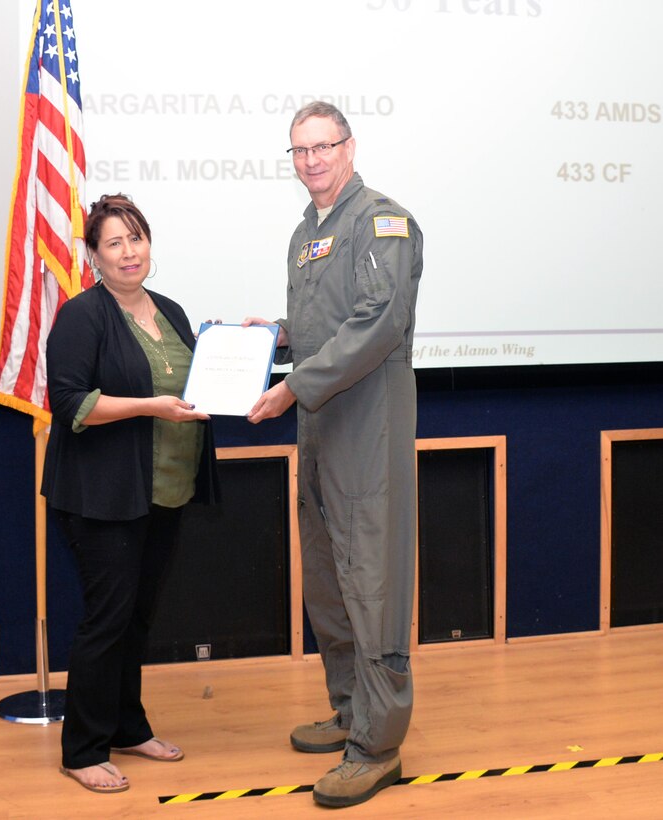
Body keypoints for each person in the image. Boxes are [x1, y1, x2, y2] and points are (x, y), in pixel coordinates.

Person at [244, 101, 424, 808]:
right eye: (300, 150)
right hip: (321, 429)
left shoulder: (384, 221)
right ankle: (351, 710)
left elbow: (381, 321)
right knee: (327, 578)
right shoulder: (304, 234)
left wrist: (294, 386)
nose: (313, 159)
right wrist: (282, 336)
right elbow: (332, 319)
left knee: (370, 583)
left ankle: (378, 746)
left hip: (365, 431)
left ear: (349, 148)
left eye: (324, 146)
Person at [42, 194, 219, 794]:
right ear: (94, 256)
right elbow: (69, 404)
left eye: (136, 238)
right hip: (102, 496)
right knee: (106, 620)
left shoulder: (169, 310)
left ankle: (126, 725)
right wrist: (150, 406)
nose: (128, 252)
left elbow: (198, 383)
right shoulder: (82, 316)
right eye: (113, 243)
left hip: (164, 491)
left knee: (137, 619)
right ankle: (82, 748)